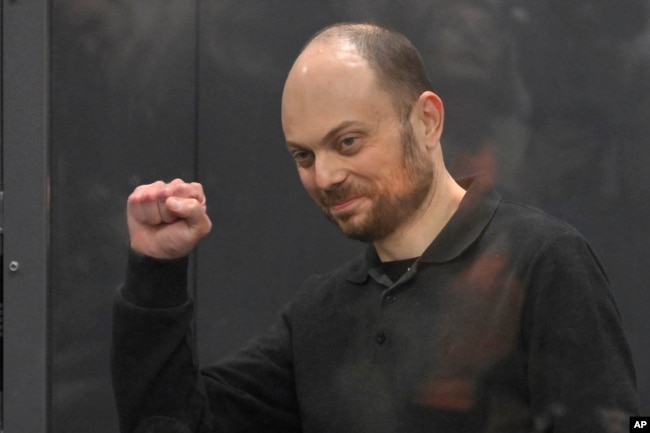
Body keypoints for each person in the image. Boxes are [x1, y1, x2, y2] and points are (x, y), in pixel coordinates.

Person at [112, 22, 638, 433]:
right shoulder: (319, 315)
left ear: (427, 121)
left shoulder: (544, 261)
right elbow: (172, 424)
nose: (325, 176)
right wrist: (156, 271)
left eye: (347, 142)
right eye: (303, 154)